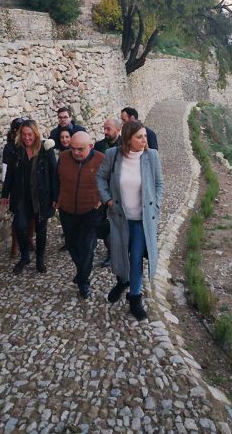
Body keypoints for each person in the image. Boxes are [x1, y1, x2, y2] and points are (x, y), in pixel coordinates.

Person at [97, 120, 164, 320]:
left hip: (141, 221)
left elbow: (160, 183)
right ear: (128, 139)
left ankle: (135, 298)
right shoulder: (113, 155)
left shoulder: (151, 156)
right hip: (120, 218)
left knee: (135, 259)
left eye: (144, 136)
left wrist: (156, 203)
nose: (144, 140)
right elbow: (100, 177)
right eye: (139, 137)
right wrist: (107, 199)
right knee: (119, 256)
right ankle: (122, 281)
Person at [1, 119, 58, 274]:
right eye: (24, 134)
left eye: (30, 134)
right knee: (20, 227)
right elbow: (10, 175)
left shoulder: (46, 150)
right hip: (21, 197)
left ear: (36, 134)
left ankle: (40, 260)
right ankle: (25, 256)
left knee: (41, 230)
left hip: (41, 197)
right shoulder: (16, 150)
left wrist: (56, 197)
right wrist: (5, 194)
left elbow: (54, 174)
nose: (27, 138)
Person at [56, 132, 105, 299]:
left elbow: (110, 182)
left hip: (91, 211)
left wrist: (101, 199)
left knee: (87, 247)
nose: (75, 152)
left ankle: (84, 282)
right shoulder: (63, 157)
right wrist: (57, 198)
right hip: (67, 210)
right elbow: (56, 179)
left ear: (90, 146)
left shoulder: (101, 160)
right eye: (72, 149)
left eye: (80, 149)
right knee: (72, 245)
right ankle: (81, 271)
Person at [2, 117, 35, 257]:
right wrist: (6, 192)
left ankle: (29, 238)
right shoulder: (10, 148)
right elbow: (6, 170)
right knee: (18, 218)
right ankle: (15, 245)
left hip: (31, 188)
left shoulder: (32, 145)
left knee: (32, 217)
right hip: (17, 188)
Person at [93, 118, 122, 267]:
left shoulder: (125, 146)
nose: (105, 131)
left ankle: (118, 252)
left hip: (120, 192)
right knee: (104, 224)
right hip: (103, 192)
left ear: (118, 130)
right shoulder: (99, 146)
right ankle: (111, 251)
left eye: (108, 129)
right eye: (104, 128)